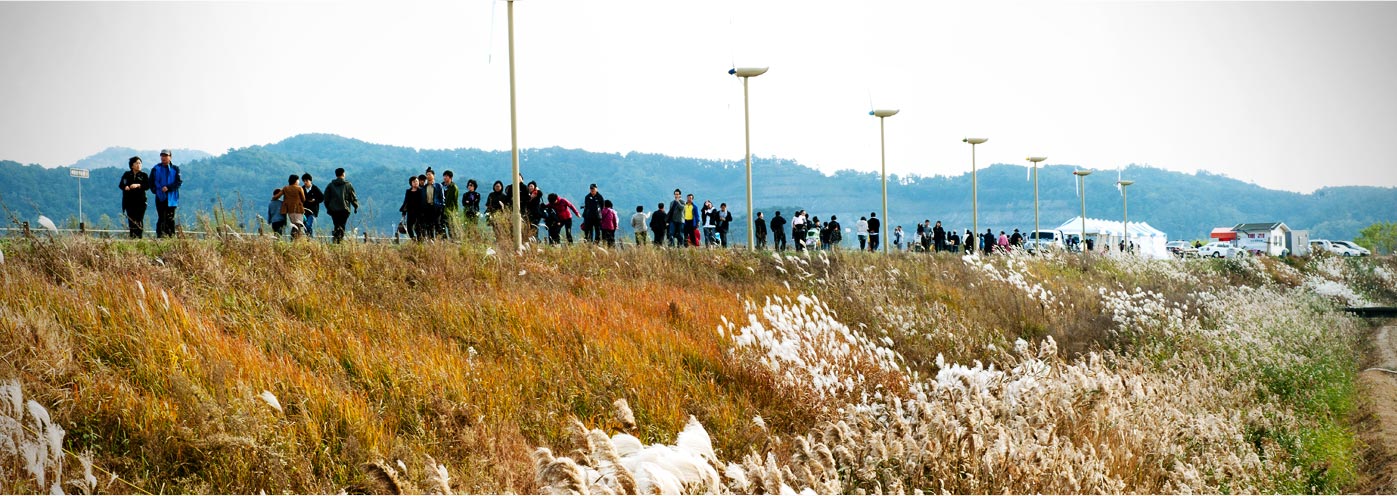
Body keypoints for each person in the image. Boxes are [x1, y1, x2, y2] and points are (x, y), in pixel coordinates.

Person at [150, 149, 182, 238]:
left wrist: (168, 188)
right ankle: (160, 236)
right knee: (161, 217)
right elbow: (151, 182)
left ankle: (171, 237)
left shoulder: (175, 169)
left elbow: (178, 182)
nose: (163, 158)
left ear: (170, 157)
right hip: (160, 197)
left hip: (172, 197)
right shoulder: (155, 169)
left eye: (166, 156)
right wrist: (156, 190)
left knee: (170, 218)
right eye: (162, 156)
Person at [322, 167, 358, 243]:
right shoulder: (348, 185)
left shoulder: (331, 185)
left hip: (334, 210)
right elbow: (353, 197)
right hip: (344, 209)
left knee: (336, 225)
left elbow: (326, 198)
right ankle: (339, 241)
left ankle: (335, 240)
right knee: (342, 225)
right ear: (343, 174)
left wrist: (329, 208)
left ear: (336, 174)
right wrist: (355, 206)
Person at [118, 156, 150, 239]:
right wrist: (126, 187)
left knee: (139, 220)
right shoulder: (127, 174)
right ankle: (132, 238)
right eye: (136, 163)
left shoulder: (144, 175)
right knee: (131, 221)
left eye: (140, 163)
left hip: (141, 202)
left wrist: (138, 185)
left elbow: (147, 186)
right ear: (132, 165)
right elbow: (121, 184)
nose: (138, 165)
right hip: (129, 202)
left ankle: (139, 238)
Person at [400, 176, 424, 241]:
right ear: (411, 183)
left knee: (418, 228)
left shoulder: (421, 191)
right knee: (409, 227)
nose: (415, 183)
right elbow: (406, 201)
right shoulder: (408, 191)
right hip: (410, 211)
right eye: (414, 182)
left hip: (419, 212)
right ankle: (413, 240)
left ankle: (420, 242)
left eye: (416, 181)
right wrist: (404, 211)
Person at [301, 173, 323, 238]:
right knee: (305, 226)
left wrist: (315, 200)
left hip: (312, 211)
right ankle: (309, 239)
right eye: (304, 181)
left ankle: (310, 238)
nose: (305, 182)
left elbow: (322, 198)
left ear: (310, 181)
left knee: (308, 225)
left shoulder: (315, 188)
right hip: (304, 211)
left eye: (306, 181)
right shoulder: (302, 189)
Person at [442, 171, 460, 237]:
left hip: (449, 209)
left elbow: (455, 200)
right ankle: (444, 240)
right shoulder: (441, 185)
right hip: (441, 209)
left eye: (446, 176)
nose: (444, 178)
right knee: (441, 226)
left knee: (450, 226)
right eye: (444, 176)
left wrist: (456, 211)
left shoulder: (454, 187)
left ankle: (453, 240)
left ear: (450, 177)